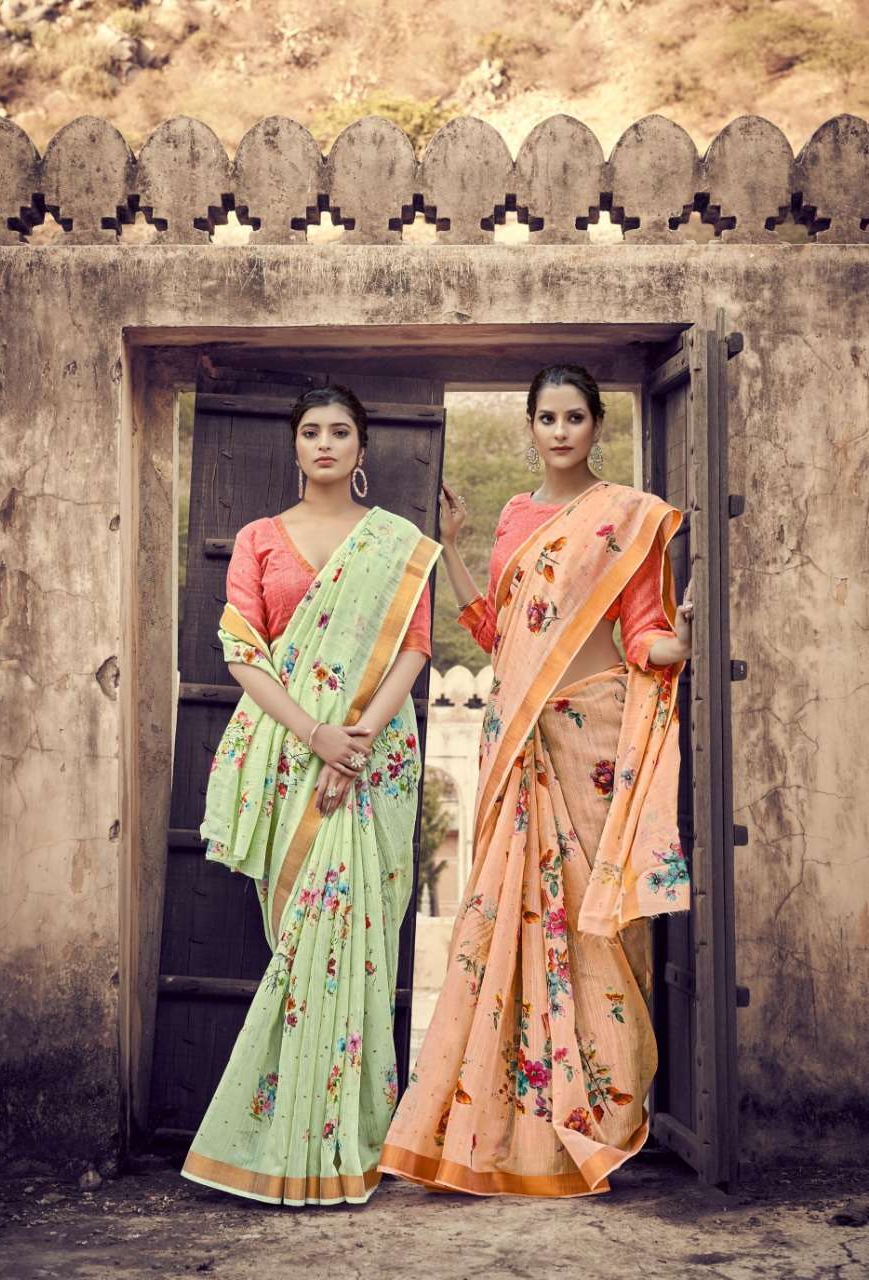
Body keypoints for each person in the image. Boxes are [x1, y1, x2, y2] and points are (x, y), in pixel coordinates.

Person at [380, 364, 693, 1198]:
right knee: (508, 919)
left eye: (574, 417)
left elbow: (642, 631)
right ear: (530, 427)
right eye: (546, 418)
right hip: (516, 735)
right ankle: (503, 1127)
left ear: (596, 426)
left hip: (592, 737)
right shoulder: (515, 517)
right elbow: (498, 634)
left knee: (596, 921)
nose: (560, 431)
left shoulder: (623, 516)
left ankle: (597, 1116)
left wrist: (680, 643)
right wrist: (452, 551)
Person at [181, 385, 440, 1206]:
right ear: (293, 445)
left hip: (374, 758)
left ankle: (344, 1140)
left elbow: (414, 648)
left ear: (361, 449)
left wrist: (355, 742)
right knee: (300, 942)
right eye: (310, 431)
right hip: (288, 757)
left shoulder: (397, 544)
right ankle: (282, 1137)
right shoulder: (259, 538)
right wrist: (316, 735)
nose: (324, 443)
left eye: (340, 432)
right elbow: (242, 653)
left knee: (354, 940)